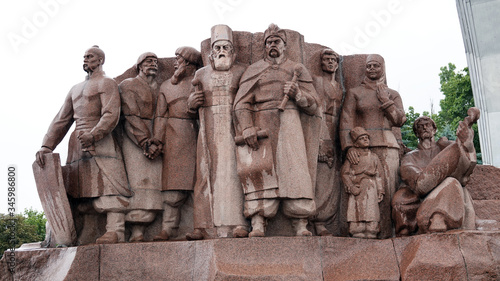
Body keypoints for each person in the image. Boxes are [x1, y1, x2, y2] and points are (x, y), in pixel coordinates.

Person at [35, 45, 131, 244]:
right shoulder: (75, 89)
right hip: (77, 143)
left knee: (110, 184)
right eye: (85, 56)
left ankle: (116, 230)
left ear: (100, 60)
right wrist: (47, 146)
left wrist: (95, 134)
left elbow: (111, 113)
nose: (86, 59)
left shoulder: (107, 83)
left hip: (101, 141)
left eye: (90, 56)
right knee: (79, 188)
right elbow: (61, 120)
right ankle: (85, 229)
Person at [233, 24, 321, 237]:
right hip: (262, 122)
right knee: (260, 172)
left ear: (284, 45)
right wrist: (246, 127)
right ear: (265, 46)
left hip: (291, 122)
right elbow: (241, 103)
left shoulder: (297, 69)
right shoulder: (253, 70)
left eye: (277, 41)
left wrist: (298, 94)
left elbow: (314, 104)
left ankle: (300, 222)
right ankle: (258, 221)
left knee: (295, 171)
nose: (273, 45)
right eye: (269, 42)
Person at [185, 25, 249, 240]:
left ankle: (239, 223)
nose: (221, 50)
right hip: (208, 128)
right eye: (218, 47)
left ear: (233, 52)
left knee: (233, 174)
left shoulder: (242, 71)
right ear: (211, 53)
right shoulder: (201, 74)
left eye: (226, 47)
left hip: (234, 127)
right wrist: (192, 103)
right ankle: (202, 226)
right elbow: (190, 103)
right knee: (205, 174)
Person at [339, 54, 406, 238]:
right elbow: (346, 121)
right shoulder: (355, 92)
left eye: (376, 65)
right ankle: (365, 230)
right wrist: (348, 147)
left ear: (382, 67)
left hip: (388, 146)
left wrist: (386, 100)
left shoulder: (392, 93)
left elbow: (399, 120)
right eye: (368, 66)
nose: (372, 69)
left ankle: (389, 234)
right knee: (365, 193)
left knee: (387, 191)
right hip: (362, 148)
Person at [392, 112, 478, 235]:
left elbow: (465, 166)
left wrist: (468, 145)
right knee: (399, 200)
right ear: (416, 133)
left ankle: (439, 219)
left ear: (434, 129)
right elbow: (411, 176)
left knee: (451, 183)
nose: (425, 128)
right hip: (420, 192)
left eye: (428, 125)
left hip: (445, 189)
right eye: (420, 127)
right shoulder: (410, 156)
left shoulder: (445, 147)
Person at [152, 46, 201, 241]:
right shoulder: (165, 86)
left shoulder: (199, 82)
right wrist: (157, 139)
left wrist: (193, 108)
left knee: (198, 184)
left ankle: (199, 226)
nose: (175, 63)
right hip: (173, 136)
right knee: (172, 187)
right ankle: (168, 227)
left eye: (179, 59)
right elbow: (160, 116)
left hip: (195, 133)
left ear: (189, 64)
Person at [118, 52, 163, 242]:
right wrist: (144, 142)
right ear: (139, 66)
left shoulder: (159, 87)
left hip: (156, 138)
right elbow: (130, 116)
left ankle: (148, 228)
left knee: (154, 186)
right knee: (137, 184)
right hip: (134, 138)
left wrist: (157, 140)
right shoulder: (128, 85)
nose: (152, 64)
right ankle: (136, 230)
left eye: (155, 62)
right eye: (148, 61)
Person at [310, 48, 343, 236]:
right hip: (320, 128)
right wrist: (322, 138)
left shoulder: (339, 86)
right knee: (320, 177)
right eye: (327, 59)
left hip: (335, 128)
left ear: (337, 65)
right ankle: (317, 221)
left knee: (332, 179)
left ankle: (327, 219)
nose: (330, 62)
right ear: (322, 63)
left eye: (333, 60)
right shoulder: (317, 81)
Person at [341, 127, 384, 238]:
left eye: (366, 138)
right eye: (362, 138)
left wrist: (380, 190)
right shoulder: (352, 157)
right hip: (357, 187)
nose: (365, 140)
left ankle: (371, 228)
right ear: (356, 144)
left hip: (371, 187)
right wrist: (351, 186)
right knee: (356, 210)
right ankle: (357, 228)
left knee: (371, 210)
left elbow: (379, 175)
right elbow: (344, 173)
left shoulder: (374, 157)